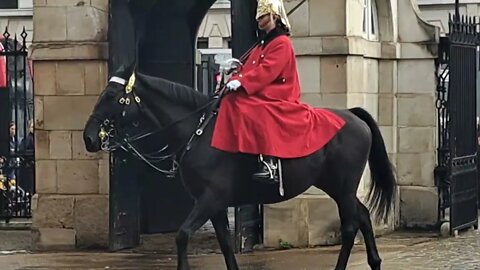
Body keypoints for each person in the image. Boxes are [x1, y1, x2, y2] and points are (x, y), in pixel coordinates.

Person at [211, 0, 346, 184]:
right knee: (230, 101)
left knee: (254, 108)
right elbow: (252, 68)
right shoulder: (262, 45)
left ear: (274, 16)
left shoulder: (282, 43)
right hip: (264, 89)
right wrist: (236, 72)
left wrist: (242, 82)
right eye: (258, 16)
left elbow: (267, 71)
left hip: (279, 93)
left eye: (263, 16)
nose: (258, 19)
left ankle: (269, 162)